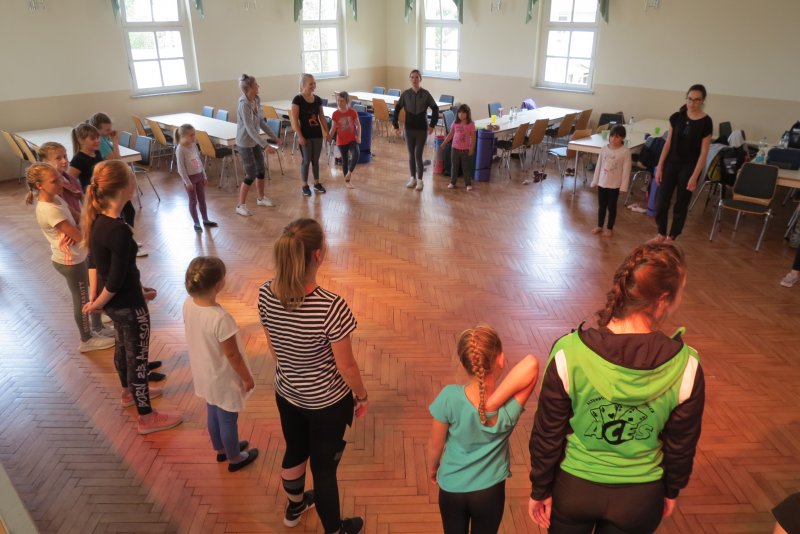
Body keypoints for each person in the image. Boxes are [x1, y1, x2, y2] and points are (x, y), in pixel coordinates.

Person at [529, 243, 705, 533]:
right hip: (640, 498)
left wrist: (540, 488)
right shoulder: (688, 366)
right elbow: (681, 444)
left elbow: (548, 432)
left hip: (573, 490)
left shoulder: (569, 352)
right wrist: (672, 490)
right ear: (662, 299)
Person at [257, 218, 366, 534]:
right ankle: (335, 529)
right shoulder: (332, 307)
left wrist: (293, 372)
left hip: (287, 393)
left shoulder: (265, 293)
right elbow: (347, 367)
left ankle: (294, 507)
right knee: (324, 468)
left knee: (294, 450)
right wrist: (361, 395)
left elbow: (274, 348)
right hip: (327, 404)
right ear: (318, 254)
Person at [81, 160, 182, 435]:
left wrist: (96, 297)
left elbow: (96, 264)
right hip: (128, 305)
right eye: (132, 179)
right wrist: (97, 303)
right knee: (137, 359)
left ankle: (128, 393)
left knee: (123, 349)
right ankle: (146, 417)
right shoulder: (120, 230)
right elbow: (115, 280)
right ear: (126, 187)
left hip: (115, 304)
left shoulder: (98, 220)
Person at [427, 325, 538, 534]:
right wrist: (491, 405)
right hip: (489, 493)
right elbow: (532, 364)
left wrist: (433, 469)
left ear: (465, 363)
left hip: (451, 488)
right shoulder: (507, 410)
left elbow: (435, 445)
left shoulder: (449, 397)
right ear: (501, 359)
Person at [25, 163, 115, 353]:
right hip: (70, 261)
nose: (60, 183)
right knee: (81, 299)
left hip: (78, 255)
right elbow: (80, 235)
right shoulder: (49, 210)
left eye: (60, 178)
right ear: (40, 186)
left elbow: (80, 218)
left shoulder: (56, 198)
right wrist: (83, 229)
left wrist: (81, 225)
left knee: (94, 289)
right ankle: (86, 340)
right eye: (54, 181)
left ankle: (97, 327)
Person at [183, 256, 258, 472]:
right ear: (218, 284)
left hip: (203, 371)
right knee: (228, 418)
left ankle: (221, 449)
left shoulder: (188, 304)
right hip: (222, 378)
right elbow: (233, 355)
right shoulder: (220, 318)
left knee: (213, 411)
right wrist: (247, 378)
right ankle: (235, 458)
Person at [653, 84, 713, 242]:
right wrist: (660, 167)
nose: (692, 103)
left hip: (689, 167)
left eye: (697, 100)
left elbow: (704, 152)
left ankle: (672, 236)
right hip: (671, 164)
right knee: (661, 201)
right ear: (686, 98)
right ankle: (661, 233)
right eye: (690, 99)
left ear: (703, 101)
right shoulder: (676, 117)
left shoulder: (706, 122)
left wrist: (694, 176)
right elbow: (668, 144)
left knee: (681, 203)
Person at [88, 113, 139, 243]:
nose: (110, 131)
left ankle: (127, 240)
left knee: (126, 212)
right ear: (97, 130)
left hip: (111, 180)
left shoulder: (104, 139)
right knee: (127, 212)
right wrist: (115, 141)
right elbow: (117, 160)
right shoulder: (101, 141)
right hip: (111, 182)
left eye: (110, 128)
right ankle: (126, 240)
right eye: (107, 130)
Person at [235, 74, 278, 216]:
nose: (258, 86)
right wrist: (265, 145)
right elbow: (249, 129)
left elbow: (260, 122)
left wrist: (273, 136)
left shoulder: (256, 100)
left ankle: (261, 198)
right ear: (249, 88)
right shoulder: (244, 104)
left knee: (261, 169)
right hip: (245, 143)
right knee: (250, 173)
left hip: (254, 141)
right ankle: (240, 205)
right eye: (255, 85)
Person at [392, 69, 439, 192]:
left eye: (416, 77)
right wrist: (395, 126)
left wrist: (432, 125)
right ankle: (412, 178)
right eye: (412, 77)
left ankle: (420, 180)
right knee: (411, 155)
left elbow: (435, 109)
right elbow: (396, 109)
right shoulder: (406, 94)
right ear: (410, 79)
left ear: (420, 79)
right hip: (409, 129)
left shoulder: (426, 94)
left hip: (421, 129)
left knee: (418, 154)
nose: (414, 79)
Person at [291, 73, 330, 197]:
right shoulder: (297, 99)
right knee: (306, 160)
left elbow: (322, 117)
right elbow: (294, 120)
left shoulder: (317, 99)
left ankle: (317, 183)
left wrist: (327, 132)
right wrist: (300, 136)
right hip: (305, 135)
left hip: (317, 134)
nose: (313, 86)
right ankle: (304, 185)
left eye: (314, 83)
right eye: (311, 84)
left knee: (316, 160)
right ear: (303, 85)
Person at [175, 124, 218, 233]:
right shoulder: (180, 149)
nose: (194, 137)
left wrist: (204, 175)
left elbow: (198, 161)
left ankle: (205, 219)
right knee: (193, 201)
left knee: (202, 199)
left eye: (194, 134)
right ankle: (196, 223)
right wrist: (187, 182)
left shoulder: (194, 145)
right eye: (191, 135)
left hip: (199, 176)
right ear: (183, 136)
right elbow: (181, 168)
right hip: (189, 179)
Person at [591, 125, 632, 238]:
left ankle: (609, 228)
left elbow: (626, 170)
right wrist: (595, 181)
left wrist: (623, 186)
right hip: (602, 183)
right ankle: (599, 226)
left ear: (622, 138)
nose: (613, 139)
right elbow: (599, 166)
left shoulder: (625, 151)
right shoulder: (604, 149)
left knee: (611, 207)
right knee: (602, 206)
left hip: (614, 185)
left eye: (617, 137)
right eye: (612, 136)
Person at [38, 142, 83, 223]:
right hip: (69, 222)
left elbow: (81, 196)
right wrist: (84, 220)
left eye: (65, 156)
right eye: (58, 158)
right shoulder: (51, 186)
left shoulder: (70, 178)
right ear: (46, 162)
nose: (64, 161)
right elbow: (67, 209)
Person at [329, 91, 360, 189]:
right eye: (338, 100)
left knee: (356, 153)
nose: (339, 103)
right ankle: (347, 182)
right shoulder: (335, 114)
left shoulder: (352, 112)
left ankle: (349, 173)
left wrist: (359, 136)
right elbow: (333, 128)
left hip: (352, 139)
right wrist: (329, 137)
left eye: (341, 101)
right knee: (345, 161)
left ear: (346, 101)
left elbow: (358, 125)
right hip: (341, 141)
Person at [442, 104, 476, 191]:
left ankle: (468, 184)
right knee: (454, 167)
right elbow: (450, 134)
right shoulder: (455, 123)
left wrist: (472, 149)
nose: (461, 114)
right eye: (459, 112)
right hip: (454, 149)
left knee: (465, 168)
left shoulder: (471, 124)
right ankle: (452, 182)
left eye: (464, 112)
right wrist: (444, 143)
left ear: (468, 114)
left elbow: (473, 138)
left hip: (465, 150)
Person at [68, 122, 103, 191]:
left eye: (98, 137)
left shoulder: (97, 152)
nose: (97, 141)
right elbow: (70, 181)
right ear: (81, 141)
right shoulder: (78, 159)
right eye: (92, 139)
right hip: (90, 193)